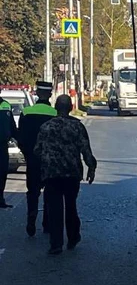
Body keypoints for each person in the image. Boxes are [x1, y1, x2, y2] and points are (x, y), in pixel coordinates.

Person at [34, 95, 97, 255]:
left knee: (54, 209)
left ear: (56, 107)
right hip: (72, 173)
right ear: (70, 107)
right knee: (71, 206)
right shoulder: (77, 126)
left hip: (51, 174)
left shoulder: (46, 127)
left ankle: (56, 244)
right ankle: (73, 237)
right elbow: (86, 150)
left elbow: (37, 151)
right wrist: (91, 168)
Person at [16, 81, 57, 235]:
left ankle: (31, 219)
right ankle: (47, 222)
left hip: (33, 159)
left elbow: (21, 138)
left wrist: (27, 154)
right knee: (50, 192)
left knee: (32, 191)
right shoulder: (55, 114)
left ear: (37, 94)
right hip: (50, 161)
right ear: (50, 95)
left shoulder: (26, 113)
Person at [0, 97, 16, 208]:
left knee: (2, 173)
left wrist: (18, 137)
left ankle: (0, 199)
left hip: (2, 145)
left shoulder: (5, 105)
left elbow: (11, 124)